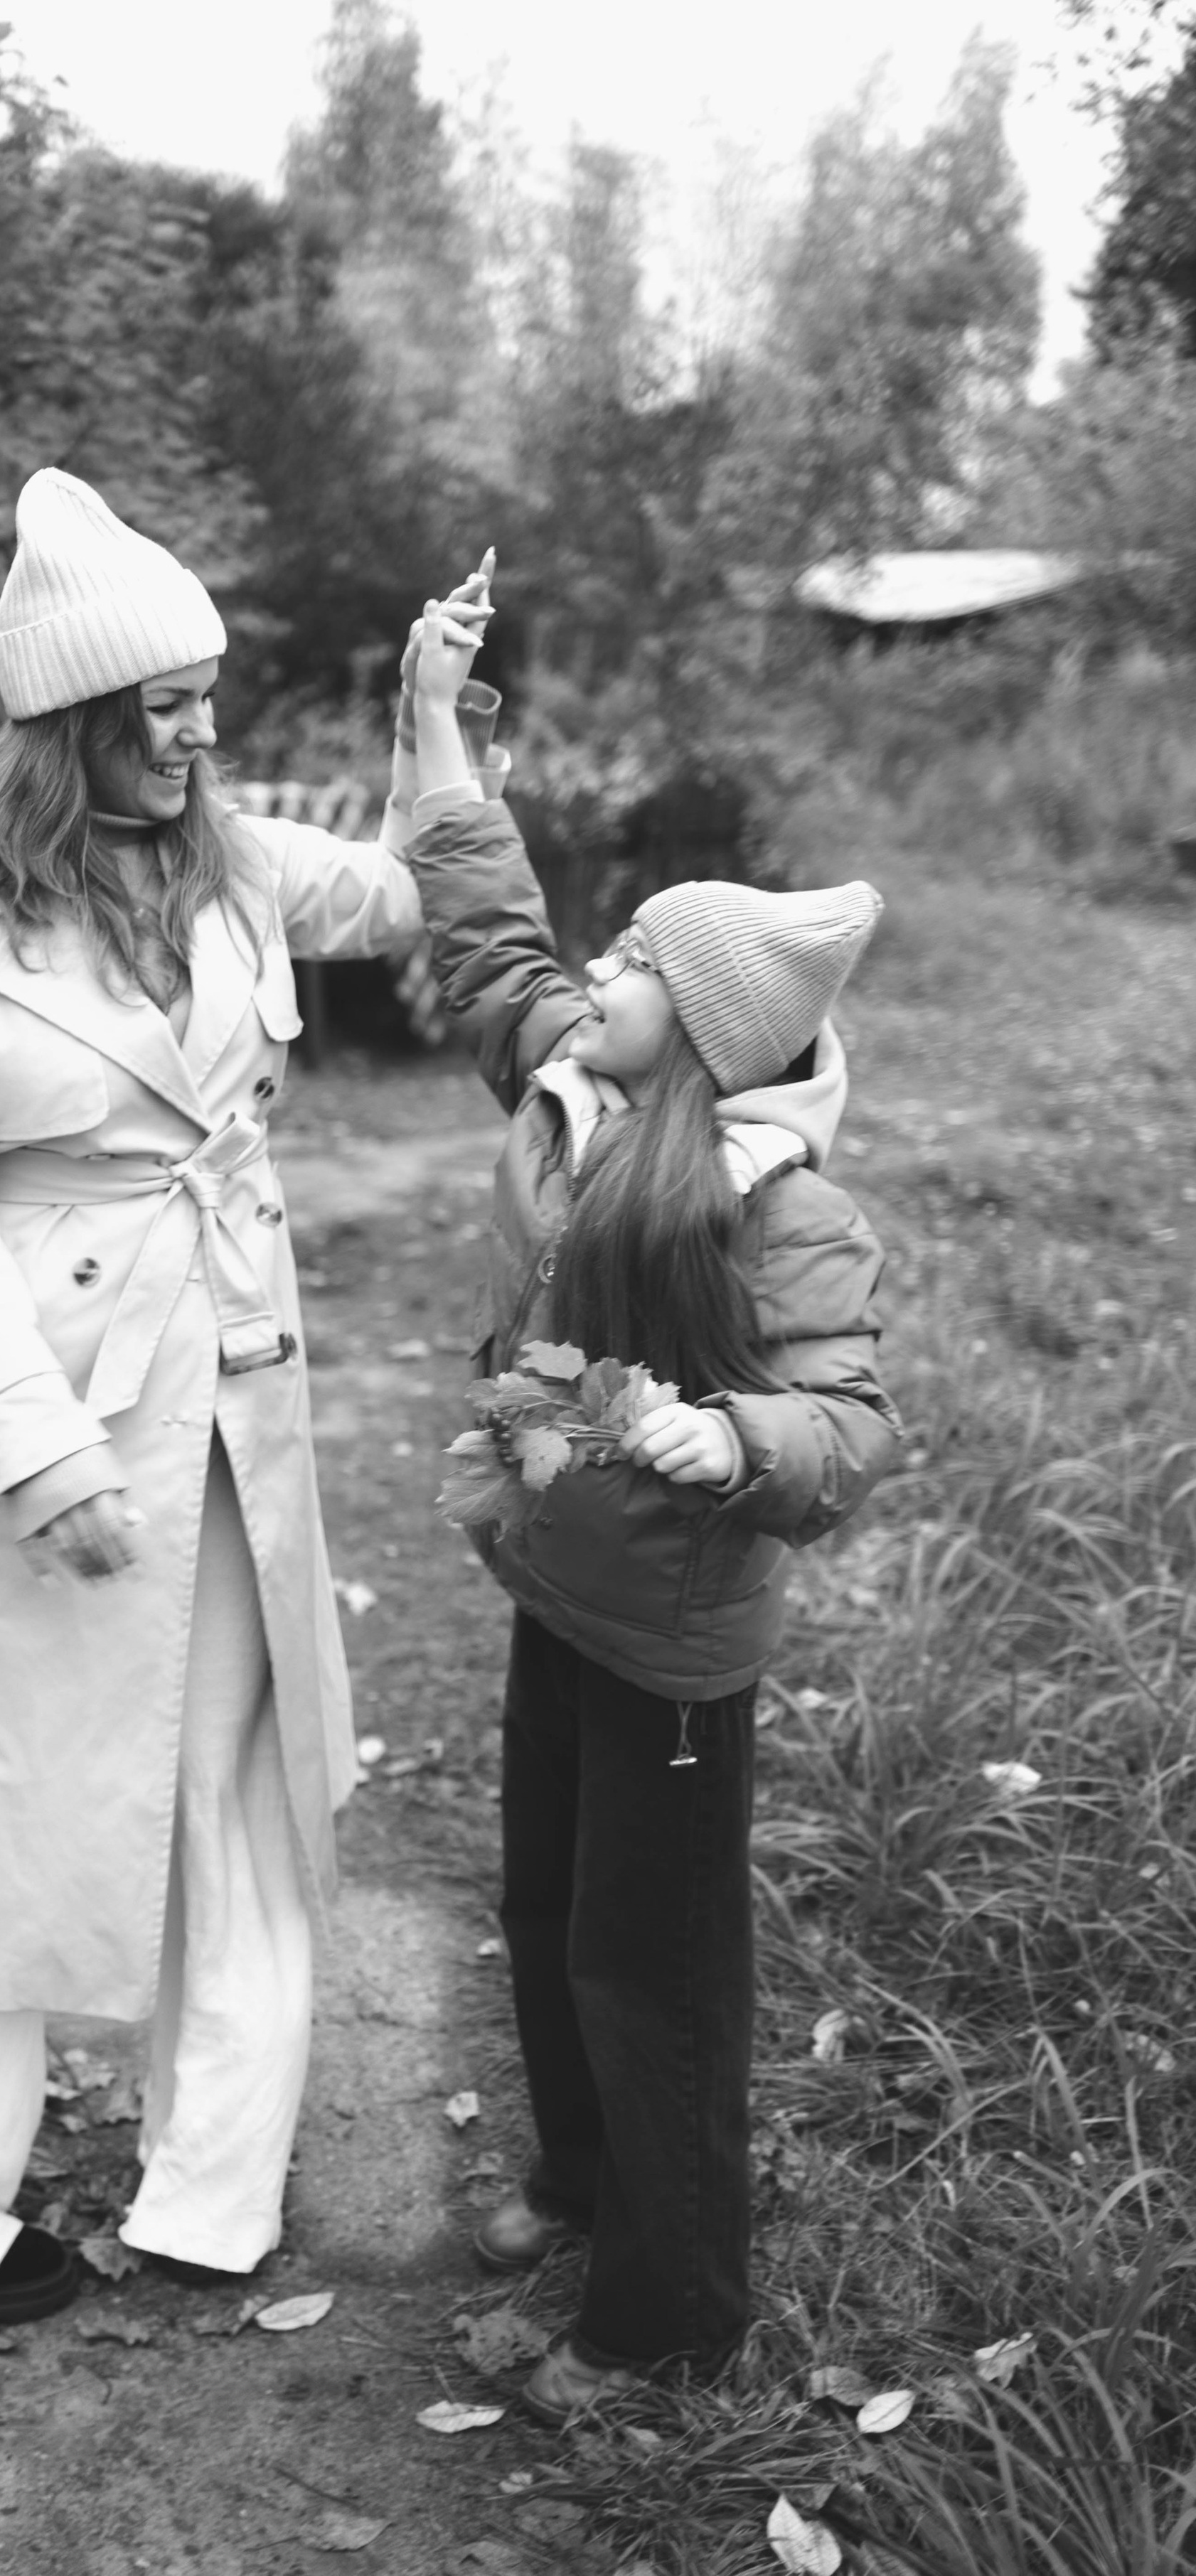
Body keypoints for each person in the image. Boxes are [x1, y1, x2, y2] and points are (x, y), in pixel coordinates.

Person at [0, 469, 434, 2335]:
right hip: (45, 1403)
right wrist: (36, 1447)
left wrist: (432, 721)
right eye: (162, 705)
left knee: (236, 1772)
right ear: (67, 723)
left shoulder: (232, 859)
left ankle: (212, 2194)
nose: (197, 733)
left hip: (232, 1390)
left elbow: (413, 893)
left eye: (206, 696)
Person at [401, 575, 902, 2422]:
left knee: (653, 1972)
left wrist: (738, 1444)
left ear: (689, 1029)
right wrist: (434, 724)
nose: (591, 972)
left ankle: (667, 2314)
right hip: (560, 1591)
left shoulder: (780, 1212)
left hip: (677, 1649)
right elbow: (488, 937)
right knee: (546, 1913)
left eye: (628, 960)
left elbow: (849, 1425)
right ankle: (584, 2179)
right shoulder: (572, 1087)